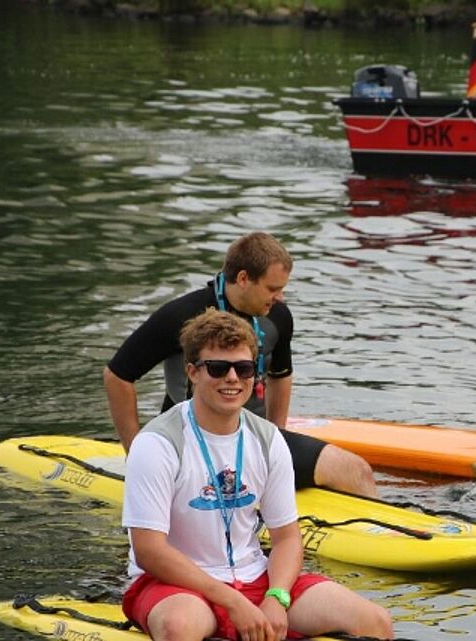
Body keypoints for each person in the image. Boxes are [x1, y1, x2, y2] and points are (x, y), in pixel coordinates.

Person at [121, 309, 393, 641]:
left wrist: (277, 598)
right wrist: (233, 602)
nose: (232, 378)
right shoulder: (157, 444)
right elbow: (149, 551)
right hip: (177, 586)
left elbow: (288, 539)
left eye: (244, 368)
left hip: (255, 578)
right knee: (180, 628)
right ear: (192, 372)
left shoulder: (268, 439)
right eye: (218, 368)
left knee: (376, 622)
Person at [103, 232, 378, 498]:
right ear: (244, 278)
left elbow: (280, 376)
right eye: (272, 288)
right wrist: (136, 454)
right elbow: (118, 375)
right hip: (192, 445)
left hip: (252, 438)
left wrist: (276, 441)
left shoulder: (278, 316)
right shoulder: (181, 315)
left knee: (357, 471)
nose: (280, 297)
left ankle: (384, 538)